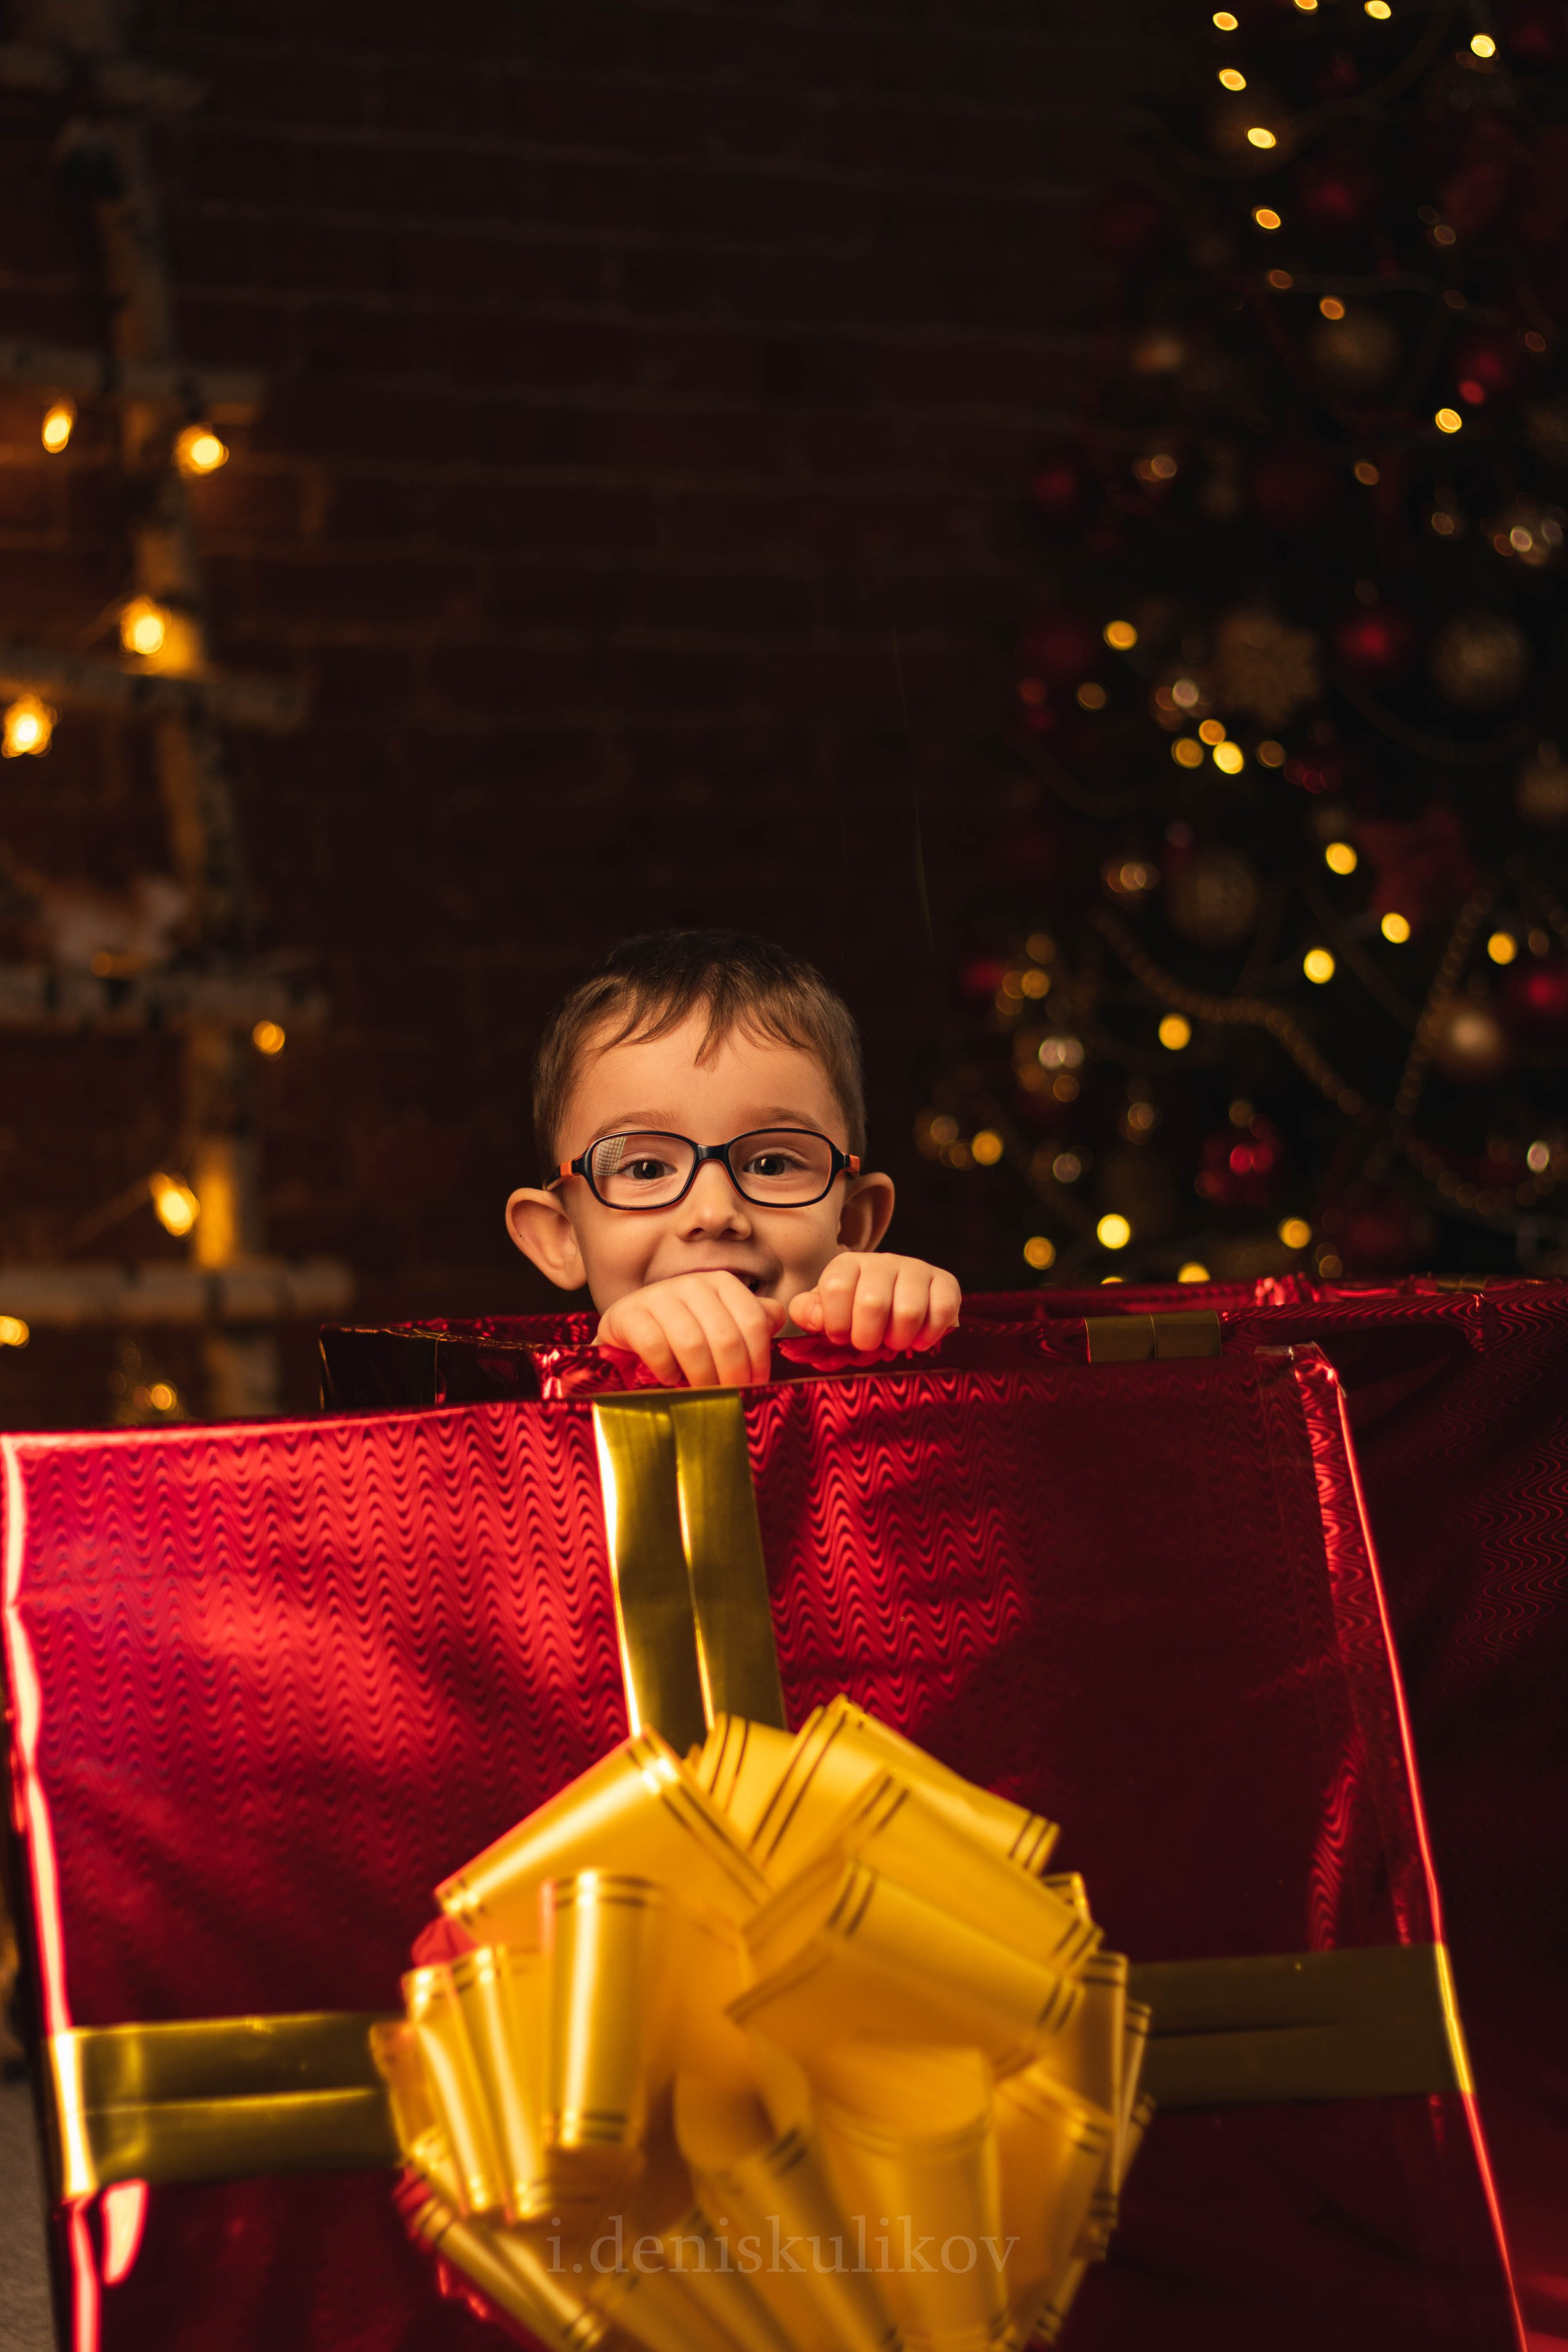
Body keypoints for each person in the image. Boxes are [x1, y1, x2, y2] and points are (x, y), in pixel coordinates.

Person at [505, 929, 961, 1389]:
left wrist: (915, 1337)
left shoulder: (891, 1356)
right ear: (563, 1237)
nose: (714, 1213)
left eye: (771, 1165)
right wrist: (604, 1376)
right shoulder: (558, 1397)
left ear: (851, 1222)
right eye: (647, 1169)